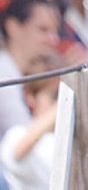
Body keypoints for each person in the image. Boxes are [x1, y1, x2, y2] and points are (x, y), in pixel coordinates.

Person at [0, 55, 63, 190]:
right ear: (30, 97)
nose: (58, 100)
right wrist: (65, 102)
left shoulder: (78, 136)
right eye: (55, 95)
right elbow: (19, 149)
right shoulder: (16, 134)